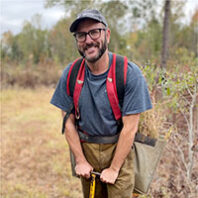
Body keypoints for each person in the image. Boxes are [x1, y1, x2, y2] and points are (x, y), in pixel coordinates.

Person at [51, 9, 152, 198]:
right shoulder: (71, 73)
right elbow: (67, 122)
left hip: (120, 153)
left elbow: (130, 128)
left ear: (107, 34)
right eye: (81, 35)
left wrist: (114, 168)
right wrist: (80, 160)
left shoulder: (128, 73)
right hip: (86, 151)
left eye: (94, 32)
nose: (88, 40)